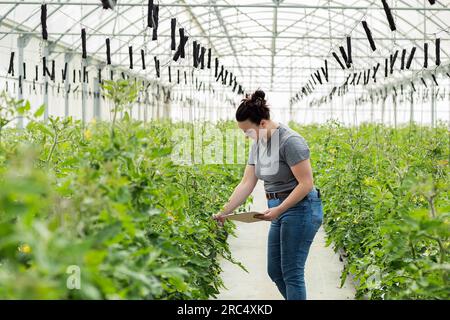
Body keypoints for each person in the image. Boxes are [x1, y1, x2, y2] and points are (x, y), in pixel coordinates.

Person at [213, 89, 324, 300]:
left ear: (262, 124)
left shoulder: (290, 141)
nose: (246, 137)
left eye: (248, 132)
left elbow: (306, 184)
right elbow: (247, 183)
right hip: (278, 209)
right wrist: (224, 212)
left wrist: (280, 209)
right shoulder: (258, 144)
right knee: (275, 271)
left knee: (291, 272)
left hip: (301, 208)